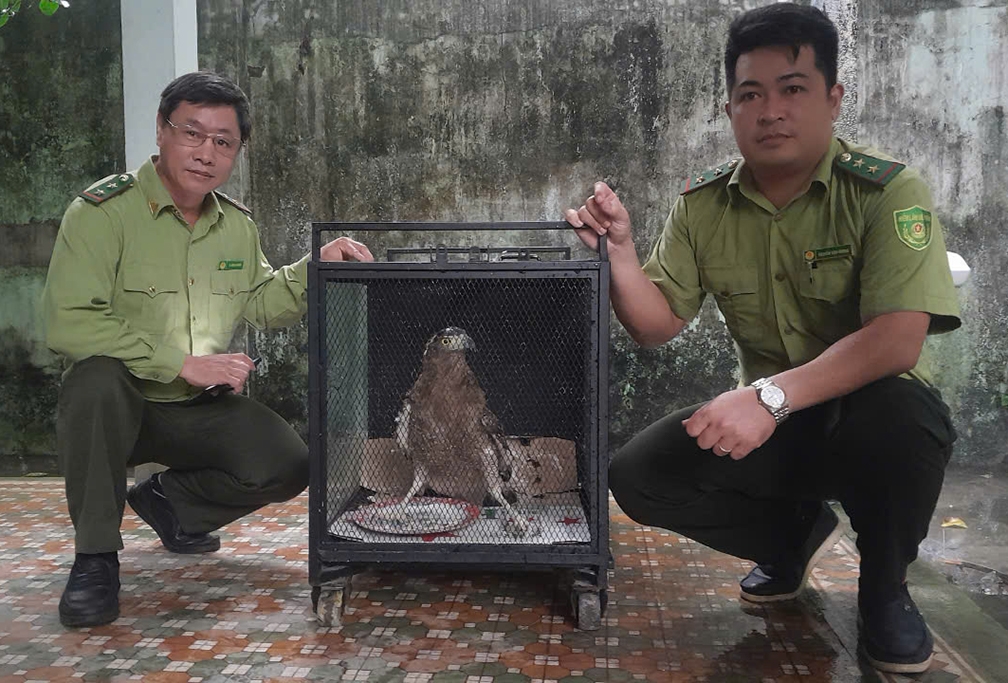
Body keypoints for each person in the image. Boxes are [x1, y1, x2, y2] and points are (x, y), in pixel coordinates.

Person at [565, 4, 959, 674]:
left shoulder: (886, 192)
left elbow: (897, 340)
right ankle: (791, 536)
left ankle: (885, 587)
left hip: (869, 418)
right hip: (778, 426)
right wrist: (621, 255)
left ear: (833, 100)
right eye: (751, 94)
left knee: (902, 417)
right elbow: (657, 323)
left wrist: (769, 397)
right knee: (637, 475)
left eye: (792, 89)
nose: (770, 110)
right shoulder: (705, 206)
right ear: (730, 110)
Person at [42, 71, 374, 629]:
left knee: (290, 462)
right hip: (119, 406)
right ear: (161, 131)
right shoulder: (102, 213)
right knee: (95, 379)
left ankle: (170, 505)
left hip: (194, 410)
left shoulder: (234, 226)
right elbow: (67, 321)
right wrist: (181, 363)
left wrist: (317, 267)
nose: (206, 153)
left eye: (223, 141)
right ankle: (95, 558)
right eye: (192, 133)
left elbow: (264, 301)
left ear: (236, 152)